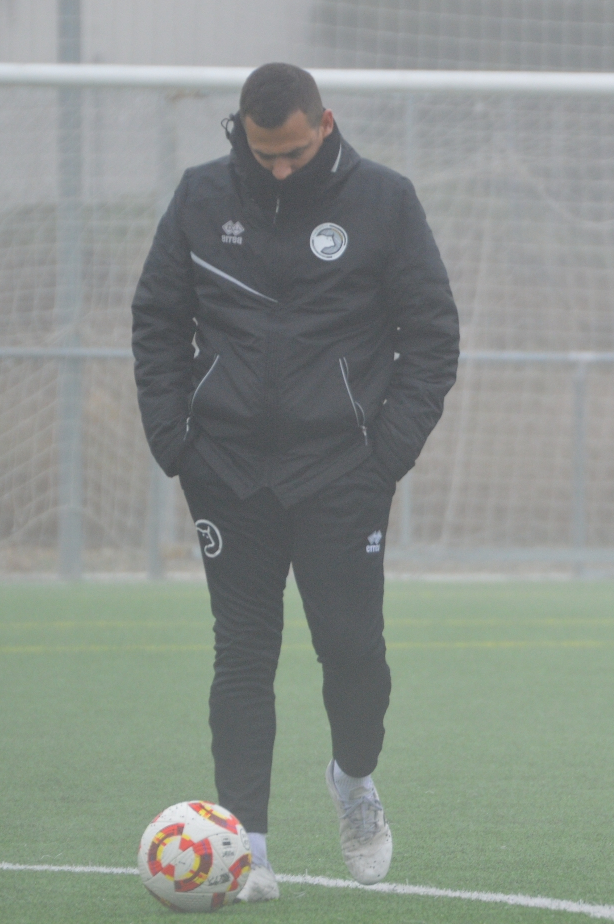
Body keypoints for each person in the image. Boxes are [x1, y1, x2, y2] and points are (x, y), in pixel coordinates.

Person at [132, 62, 459, 901]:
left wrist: (386, 452)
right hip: (227, 470)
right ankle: (247, 850)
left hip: (343, 471)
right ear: (240, 128)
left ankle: (354, 782)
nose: (279, 168)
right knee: (242, 654)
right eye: (263, 151)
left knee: (351, 650)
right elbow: (158, 317)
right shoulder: (201, 197)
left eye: (294, 152)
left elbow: (431, 333)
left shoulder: (385, 200)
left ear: (324, 123)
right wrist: (177, 442)